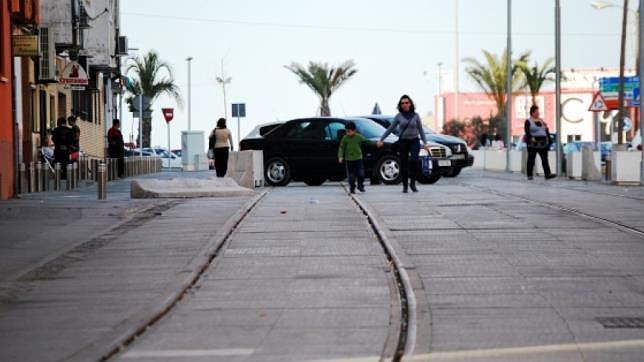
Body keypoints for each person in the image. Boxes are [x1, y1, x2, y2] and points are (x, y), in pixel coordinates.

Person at [378, 95, 430, 193]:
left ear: (410, 104)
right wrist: (381, 139)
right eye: (402, 103)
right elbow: (390, 128)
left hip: (414, 141)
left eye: (407, 102)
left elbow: (421, 129)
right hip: (403, 142)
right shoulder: (398, 116)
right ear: (400, 105)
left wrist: (425, 143)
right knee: (404, 163)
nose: (405, 104)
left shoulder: (416, 115)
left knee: (414, 161)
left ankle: (413, 183)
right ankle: (405, 185)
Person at [338, 121, 376, 194]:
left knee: (361, 174)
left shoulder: (358, 137)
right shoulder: (345, 138)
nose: (347, 133)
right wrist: (340, 156)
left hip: (358, 159)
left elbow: (367, 141)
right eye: (346, 131)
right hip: (349, 160)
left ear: (354, 131)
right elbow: (341, 148)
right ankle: (352, 188)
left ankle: (360, 186)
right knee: (351, 176)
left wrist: (376, 144)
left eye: (349, 131)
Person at [525, 105, 556, 180]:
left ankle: (547, 174)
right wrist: (531, 138)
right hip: (533, 142)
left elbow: (546, 130)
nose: (538, 113)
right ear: (532, 113)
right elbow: (527, 131)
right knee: (531, 159)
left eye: (538, 112)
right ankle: (530, 175)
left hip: (543, 142)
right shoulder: (528, 121)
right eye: (536, 112)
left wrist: (548, 138)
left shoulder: (541, 120)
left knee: (544, 159)